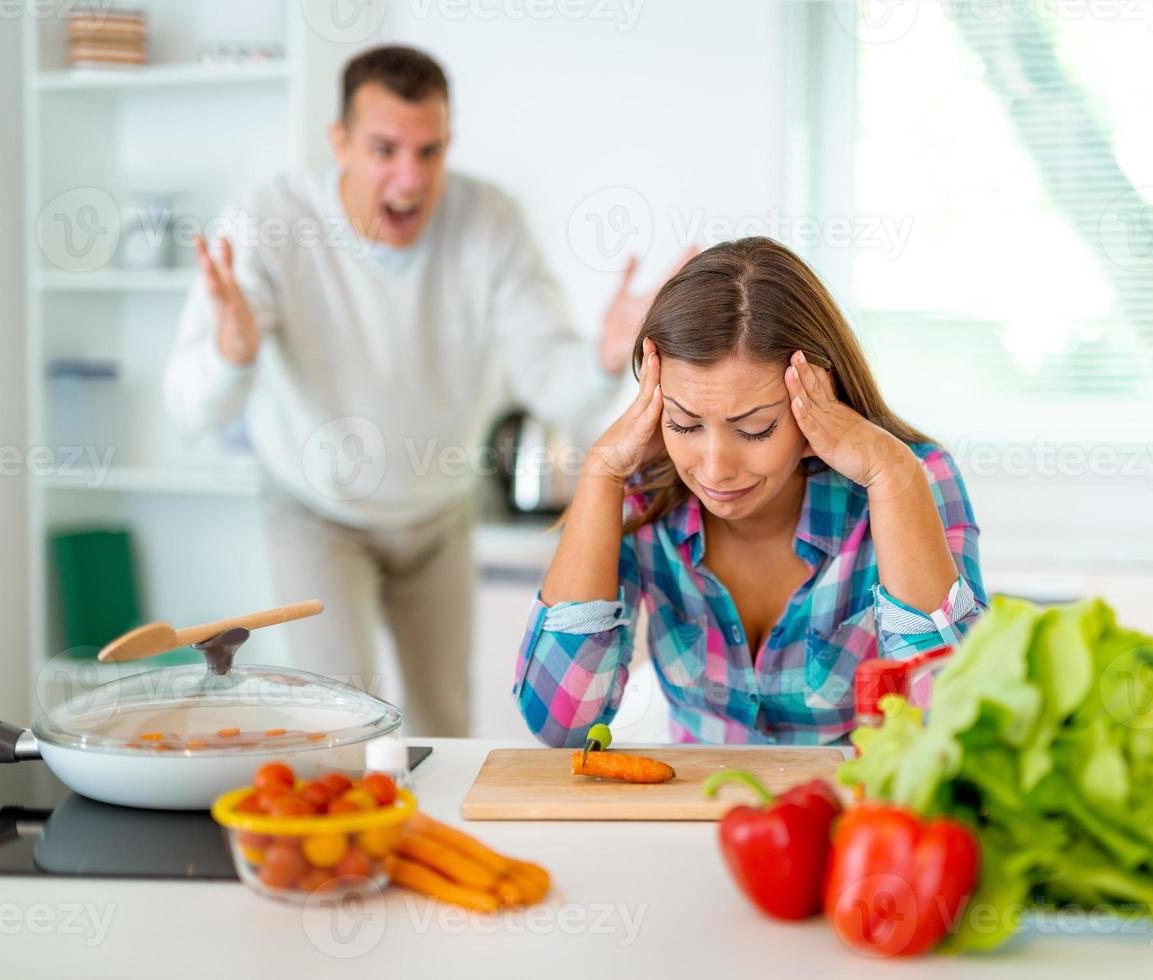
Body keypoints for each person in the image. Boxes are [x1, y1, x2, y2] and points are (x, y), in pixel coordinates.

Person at [164, 46, 681, 736]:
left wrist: (606, 354)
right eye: (385, 149)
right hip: (316, 510)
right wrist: (233, 355)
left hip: (437, 512)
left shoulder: (489, 220)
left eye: (430, 151)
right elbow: (192, 410)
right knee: (336, 721)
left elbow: (553, 382)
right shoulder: (267, 224)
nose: (410, 178)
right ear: (339, 142)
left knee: (445, 725)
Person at [514, 237, 986, 746]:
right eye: (684, 423)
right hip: (696, 809)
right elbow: (561, 726)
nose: (715, 469)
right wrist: (601, 473)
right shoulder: (639, 491)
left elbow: (954, 726)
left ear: (817, 404)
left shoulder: (913, 477)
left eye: (755, 428)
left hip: (849, 813)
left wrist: (894, 476)